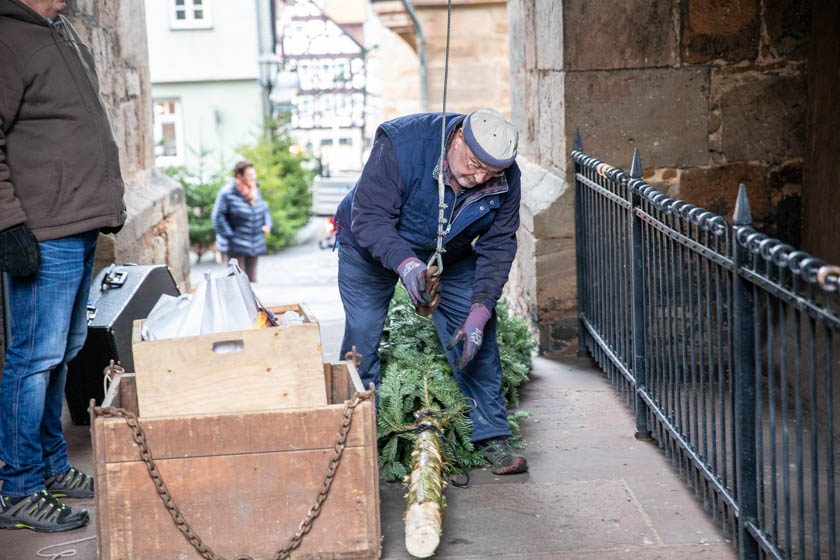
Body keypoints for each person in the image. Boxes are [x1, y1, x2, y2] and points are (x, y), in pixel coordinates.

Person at [335, 109, 527, 475]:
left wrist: (481, 310)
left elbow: (499, 243)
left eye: (491, 173)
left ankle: (491, 435)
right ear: (457, 138)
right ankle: (358, 435)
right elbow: (370, 217)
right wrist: (407, 266)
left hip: (447, 253)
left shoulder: (506, 177)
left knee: (477, 336)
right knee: (362, 333)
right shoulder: (401, 145)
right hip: (367, 243)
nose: (480, 177)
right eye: (473, 164)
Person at [0, 0, 127, 532]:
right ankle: (17, 488)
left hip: (77, 224)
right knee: (33, 359)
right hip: (43, 231)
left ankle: (51, 467)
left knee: (63, 354)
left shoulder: (62, 30)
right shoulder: (7, 38)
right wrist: (8, 222)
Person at [211, 160, 272, 282]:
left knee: (251, 282)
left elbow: (264, 209)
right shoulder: (227, 193)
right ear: (239, 176)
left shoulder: (255, 190)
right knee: (235, 283)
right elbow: (217, 217)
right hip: (235, 245)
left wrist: (267, 224)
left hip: (255, 243)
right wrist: (231, 236)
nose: (253, 177)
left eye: (254, 174)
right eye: (250, 175)